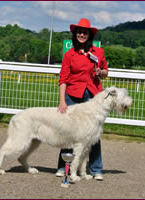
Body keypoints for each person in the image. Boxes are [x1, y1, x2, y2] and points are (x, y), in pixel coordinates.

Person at [56, 18, 108, 180]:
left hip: (93, 96)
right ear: (75, 34)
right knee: (68, 132)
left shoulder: (98, 52)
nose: (82, 34)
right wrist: (62, 101)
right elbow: (63, 79)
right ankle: (62, 167)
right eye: (79, 32)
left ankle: (96, 168)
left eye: (85, 32)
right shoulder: (69, 54)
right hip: (72, 95)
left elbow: (106, 72)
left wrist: (101, 72)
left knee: (94, 134)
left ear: (89, 35)